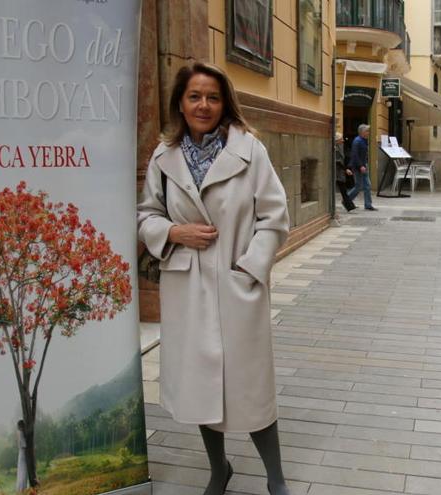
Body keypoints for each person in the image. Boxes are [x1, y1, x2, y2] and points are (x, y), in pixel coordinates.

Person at [137, 61, 291, 495]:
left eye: (212, 97)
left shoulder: (249, 151)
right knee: (199, 387)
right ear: (180, 105)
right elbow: (146, 214)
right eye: (194, 96)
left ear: (225, 103)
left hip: (235, 284)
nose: (203, 105)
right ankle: (218, 469)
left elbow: (275, 217)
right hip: (187, 286)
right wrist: (172, 231)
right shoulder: (163, 157)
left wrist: (249, 268)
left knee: (251, 385)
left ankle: (275, 479)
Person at [347, 124, 376, 210]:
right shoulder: (357, 141)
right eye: (367, 131)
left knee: (367, 185)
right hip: (358, 167)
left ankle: (368, 205)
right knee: (358, 186)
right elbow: (355, 155)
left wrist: (364, 165)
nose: (368, 133)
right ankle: (347, 200)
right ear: (362, 132)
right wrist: (360, 166)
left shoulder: (363, 140)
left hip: (363, 166)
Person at [334, 133, 356, 212]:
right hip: (337, 172)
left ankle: (349, 206)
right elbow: (338, 161)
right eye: (341, 139)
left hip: (340, 171)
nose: (343, 140)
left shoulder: (340, 147)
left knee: (343, 189)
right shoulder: (336, 148)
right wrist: (346, 169)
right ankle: (349, 206)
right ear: (337, 140)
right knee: (342, 189)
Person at [15, 420, 28, 493]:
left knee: (21, 471)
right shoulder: (21, 433)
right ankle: (22, 489)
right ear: (21, 426)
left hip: (21, 453)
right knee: (23, 471)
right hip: (23, 453)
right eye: (23, 426)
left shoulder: (19, 433)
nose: (24, 427)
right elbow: (24, 445)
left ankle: (21, 489)